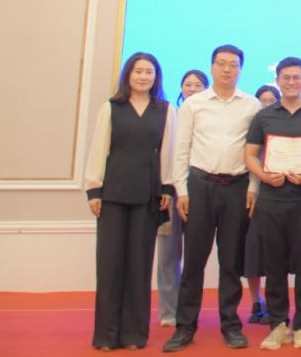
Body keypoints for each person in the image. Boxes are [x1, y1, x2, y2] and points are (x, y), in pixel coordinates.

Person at [162, 44, 262, 352]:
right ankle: (185, 327)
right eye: (221, 63)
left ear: (240, 70)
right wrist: (182, 190)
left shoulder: (252, 105)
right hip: (199, 186)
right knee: (194, 261)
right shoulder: (194, 105)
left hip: (237, 188)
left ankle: (231, 326)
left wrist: (253, 187)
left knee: (231, 262)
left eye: (233, 64)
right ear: (212, 67)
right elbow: (181, 150)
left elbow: (257, 150)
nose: (227, 69)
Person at [85, 52, 175, 351]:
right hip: (112, 194)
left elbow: (168, 152)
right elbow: (99, 149)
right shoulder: (111, 107)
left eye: (149, 72)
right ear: (128, 74)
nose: (143, 76)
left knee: (139, 265)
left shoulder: (165, 110)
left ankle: (135, 334)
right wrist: (94, 190)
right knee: (109, 265)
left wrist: (167, 187)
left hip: (147, 195)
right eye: (138, 71)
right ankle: (106, 335)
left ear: (156, 77)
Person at [245, 56, 301, 350]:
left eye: (297, 77)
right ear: (278, 80)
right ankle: (278, 325)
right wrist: (264, 176)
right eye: (286, 77)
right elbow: (250, 154)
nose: (291, 82)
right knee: (274, 265)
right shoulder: (265, 116)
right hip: (272, 200)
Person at [157, 70, 206, 328]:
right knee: (167, 254)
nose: (192, 89)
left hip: (198, 191)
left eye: (198, 85)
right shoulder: (169, 116)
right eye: (188, 84)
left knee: (194, 254)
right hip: (170, 193)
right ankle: (169, 311)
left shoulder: (210, 117)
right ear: (181, 88)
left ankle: (188, 310)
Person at [242, 84, 280, 326]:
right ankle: (257, 301)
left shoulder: (284, 128)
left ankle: (276, 306)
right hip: (248, 194)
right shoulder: (251, 127)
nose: (266, 104)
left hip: (276, 194)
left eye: (271, 100)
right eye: (262, 100)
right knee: (253, 252)